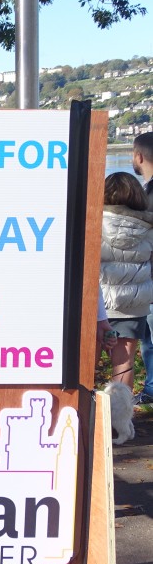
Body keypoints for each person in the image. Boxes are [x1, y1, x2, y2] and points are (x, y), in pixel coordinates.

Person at [99, 172, 153, 389]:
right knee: (124, 363)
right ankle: (120, 419)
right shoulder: (148, 228)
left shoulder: (95, 222)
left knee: (87, 361)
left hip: (99, 304)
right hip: (133, 306)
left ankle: (87, 415)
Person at [131, 133, 153, 404]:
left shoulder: (147, 196)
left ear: (139, 157)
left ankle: (151, 389)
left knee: (150, 340)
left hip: (149, 273)